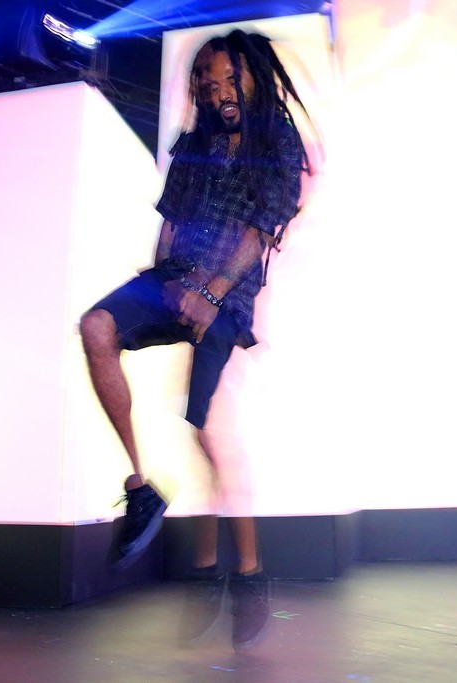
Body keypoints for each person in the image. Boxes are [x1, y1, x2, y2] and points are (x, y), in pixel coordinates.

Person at [79, 28, 311, 651]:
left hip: (226, 296)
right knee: (96, 326)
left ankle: (248, 576)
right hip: (176, 282)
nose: (218, 91)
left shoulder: (276, 141)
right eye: (208, 82)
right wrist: (161, 284)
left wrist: (209, 294)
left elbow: (259, 231)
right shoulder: (193, 145)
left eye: (231, 78)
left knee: (205, 429)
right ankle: (141, 491)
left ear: (253, 79)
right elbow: (171, 223)